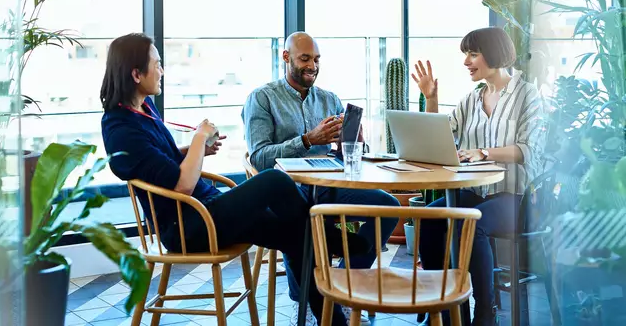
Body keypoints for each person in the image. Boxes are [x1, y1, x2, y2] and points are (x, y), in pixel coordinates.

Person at [100, 33, 366, 326]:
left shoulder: (143, 110)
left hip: (204, 207)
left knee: (298, 238)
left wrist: (195, 150)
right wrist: (200, 138)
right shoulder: (120, 127)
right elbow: (182, 184)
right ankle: (334, 238)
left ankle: (331, 312)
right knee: (273, 182)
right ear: (136, 74)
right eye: (157, 64)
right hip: (186, 225)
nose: (162, 71)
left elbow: (158, 159)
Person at [242, 32, 401, 325]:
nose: (312, 65)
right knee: (300, 220)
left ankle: (343, 288)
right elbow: (260, 157)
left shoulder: (329, 99)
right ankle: (309, 299)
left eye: (316, 59)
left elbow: (348, 156)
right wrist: (306, 139)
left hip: (329, 184)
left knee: (388, 208)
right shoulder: (262, 98)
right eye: (305, 58)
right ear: (286, 58)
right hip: (285, 191)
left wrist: (353, 144)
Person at [411, 26, 543, 326]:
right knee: (429, 219)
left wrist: (485, 152)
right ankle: (440, 302)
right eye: (466, 55)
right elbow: (441, 137)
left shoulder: (526, 94)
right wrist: (431, 99)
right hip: (476, 193)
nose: (466, 62)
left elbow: (530, 149)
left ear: (494, 54)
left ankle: (486, 310)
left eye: (473, 54)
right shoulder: (472, 99)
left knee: (472, 223)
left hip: (515, 198)